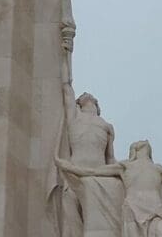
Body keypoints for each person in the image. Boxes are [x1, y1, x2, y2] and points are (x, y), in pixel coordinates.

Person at [54, 23, 117, 237]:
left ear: (97, 105)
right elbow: (66, 87)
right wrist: (65, 54)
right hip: (73, 171)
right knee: (71, 225)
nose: (88, 95)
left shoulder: (107, 126)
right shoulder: (75, 116)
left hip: (99, 177)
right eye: (84, 95)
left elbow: (111, 160)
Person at [56, 141, 162, 237]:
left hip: (155, 211)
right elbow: (93, 171)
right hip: (133, 209)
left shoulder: (158, 169)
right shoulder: (125, 166)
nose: (144, 144)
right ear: (134, 150)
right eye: (140, 144)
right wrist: (68, 167)